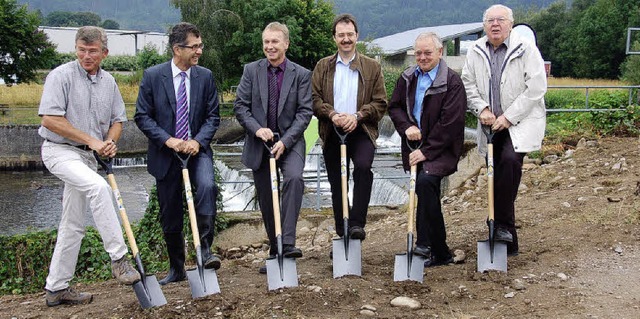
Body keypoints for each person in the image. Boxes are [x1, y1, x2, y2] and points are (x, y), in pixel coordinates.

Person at [38, 26, 141, 306]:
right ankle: (119, 259)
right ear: (76, 49)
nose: (86, 55)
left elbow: (118, 120)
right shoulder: (60, 76)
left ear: (104, 53)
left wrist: (108, 142)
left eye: (92, 51)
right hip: (59, 151)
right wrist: (94, 141)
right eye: (81, 50)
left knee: (72, 225)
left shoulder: (109, 82)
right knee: (99, 188)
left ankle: (56, 288)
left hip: (87, 158)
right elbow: (50, 119)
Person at [135, 22, 221, 284]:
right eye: (194, 47)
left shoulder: (204, 76)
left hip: (197, 151)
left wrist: (197, 141)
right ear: (177, 49)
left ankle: (204, 252)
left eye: (200, 45)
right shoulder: (153, 76)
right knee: (170, 211)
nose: (199, 51)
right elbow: (142, 116)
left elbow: (213, 116)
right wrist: (168, 140)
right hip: (166, 154)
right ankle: (177, 268)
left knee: (207, 187)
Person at [461, 4, 547, 256]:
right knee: (496, 174)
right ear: (484, 25)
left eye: (500, 20)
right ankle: (506, 237)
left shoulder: (526, 49)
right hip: (489, 123)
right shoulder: (476, 50)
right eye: (490, 21)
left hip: (519, 123)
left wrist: (508, 117)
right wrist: (482, 109)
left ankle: (502, 226)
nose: (495, 24)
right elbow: (468, 83)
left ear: (511, 24)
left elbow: (536, 88)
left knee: (509, 162)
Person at [234, 22, 313, 274]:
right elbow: (241, 107)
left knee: (294, 178)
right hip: (259, 144)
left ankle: (287, 243)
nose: (269, 46)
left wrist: (285, 141)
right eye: (266, 42)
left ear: (286, 44)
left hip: (290, 142)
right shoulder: (250, 71)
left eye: (275, 42)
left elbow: (304, 113)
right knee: (267, 198)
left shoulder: (301, 74)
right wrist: (257, 129)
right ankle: (275, 247)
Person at [388, 32, 467, 267]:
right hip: (414, 145)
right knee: (424, 188)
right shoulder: (407, 77)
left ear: (440, 52)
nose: (422, 57)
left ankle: (434, 247)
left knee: (425, 183)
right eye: (418, 53)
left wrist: (427, 151)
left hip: (441, 149)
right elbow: (395, 108)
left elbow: (451, 123)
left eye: (427, 53)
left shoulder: (452, 82)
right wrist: (407, 127)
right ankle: (429, 247)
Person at [312, 13, 387, 243]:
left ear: (357, 36)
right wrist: (332, 114)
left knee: (363, 168)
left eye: (350, 35)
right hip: (332, 130)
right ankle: (341, 228)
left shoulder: (372, 67)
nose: (346, 39)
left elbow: (381, 102)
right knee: (337, 181)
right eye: (341, 35)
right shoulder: (323, 66)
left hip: (361, 129)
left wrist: (358, 115)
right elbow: (314, 99)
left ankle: (357, 224)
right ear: (334, 38)